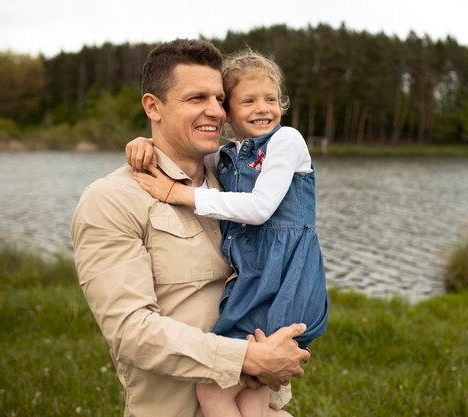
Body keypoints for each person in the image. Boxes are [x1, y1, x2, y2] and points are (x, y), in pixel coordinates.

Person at [71, 39, 310, 417]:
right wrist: (246, 358)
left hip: (258, 406)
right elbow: (132, 333)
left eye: (219, 99)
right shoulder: (112, 199)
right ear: (153, 107)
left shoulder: (234, 183)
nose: (214, 111)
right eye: (197, 98)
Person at [127, 49, 329, 417]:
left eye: (271, 99)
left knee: (212, 390)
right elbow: (179, 154)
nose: (263, 108)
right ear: (229, 112)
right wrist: (144, 145)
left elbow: (259, 208)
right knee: (253, 390)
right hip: (256, 278)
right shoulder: (228, 154)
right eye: (247, 101)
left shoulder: (287, 141)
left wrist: (181, 194)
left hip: (282, 277)